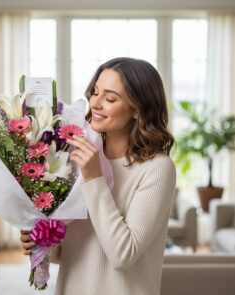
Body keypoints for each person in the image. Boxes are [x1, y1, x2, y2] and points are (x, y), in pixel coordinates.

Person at [20, 57, 176, 295]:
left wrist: (94, 179)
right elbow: (77, 250)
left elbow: (123, 254)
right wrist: (43, 241)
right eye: (95, 93)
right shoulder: (74, 157)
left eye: (110, 98)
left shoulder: (157, 168)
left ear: (137, 109)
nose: (96, 103)